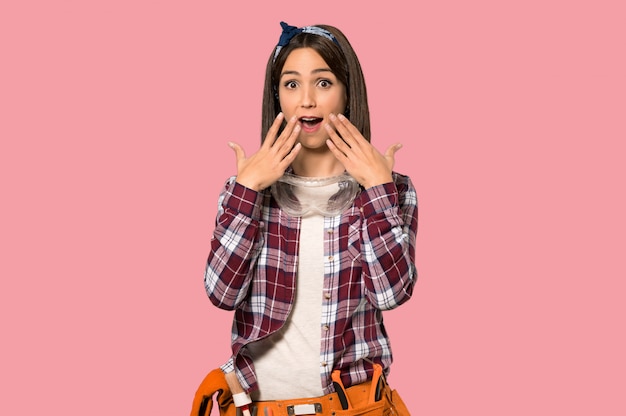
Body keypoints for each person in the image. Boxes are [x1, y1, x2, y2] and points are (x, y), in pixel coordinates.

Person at [194, 22, 417, 416]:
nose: (307, 101)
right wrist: (246, 192)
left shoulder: (392, 189)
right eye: (291, 84)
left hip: (354, 407)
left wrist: (376, 189)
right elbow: (221, 293)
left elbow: (391, 294)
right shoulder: (246, 189)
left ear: (348, 93)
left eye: (324, 83)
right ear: (276, 95)